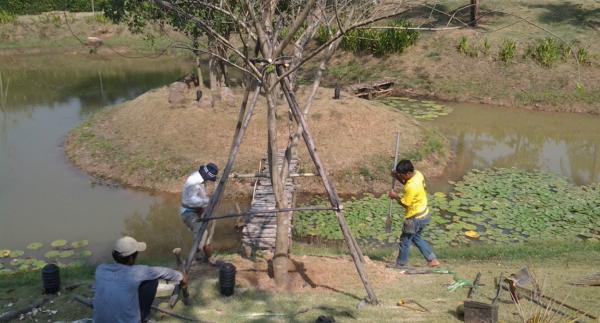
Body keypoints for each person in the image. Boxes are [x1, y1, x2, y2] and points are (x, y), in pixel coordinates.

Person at [93, 236, 186, 323]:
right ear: (130, 258)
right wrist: (181, 276)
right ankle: (144, 317)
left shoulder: (101, 269)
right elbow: (168, 273)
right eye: (136, 254)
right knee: (151, 281)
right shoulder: (138, 272)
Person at [388, 159, 440, 268]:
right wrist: (396, 176)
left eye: (402, 175)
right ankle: (432, 259)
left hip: (414, 218)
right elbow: (406, 181)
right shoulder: (418, 174)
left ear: (408, 173)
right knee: (416, 237)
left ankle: (401, 264)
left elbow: (405, 204)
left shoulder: (411, 187)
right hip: (424, 213)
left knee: (405, 240)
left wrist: (395, 196)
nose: (401, 177)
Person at [180, 163, 219, 259]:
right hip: (188, 212)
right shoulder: (194, 182)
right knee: (201, 232)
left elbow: (201, 195)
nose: (208, 181)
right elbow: (192, 200)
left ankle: (202, 253)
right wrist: (207, 201)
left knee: (203, 232)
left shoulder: (199, 179)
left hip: (197, 210)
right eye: (208, 179)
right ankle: (196, 255)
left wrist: (206, 204)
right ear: (205, 175)